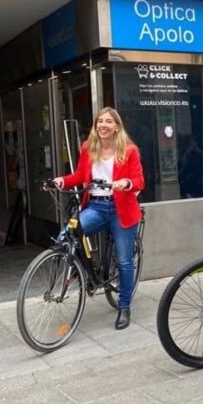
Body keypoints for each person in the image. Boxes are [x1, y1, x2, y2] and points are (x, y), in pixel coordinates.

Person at [53, 107, 145, 330]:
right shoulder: (88, 148)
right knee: (66, 236)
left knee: (123, 260)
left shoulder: (129, 150)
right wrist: (63, 181)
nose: (103, 125)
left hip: (121, 208)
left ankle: (124, 306)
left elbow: (139, 181)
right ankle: (81, 270)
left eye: (108, 122)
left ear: (116, 127)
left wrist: (126, 183)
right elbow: (80, 176)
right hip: (96, 206)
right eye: (99, 122)